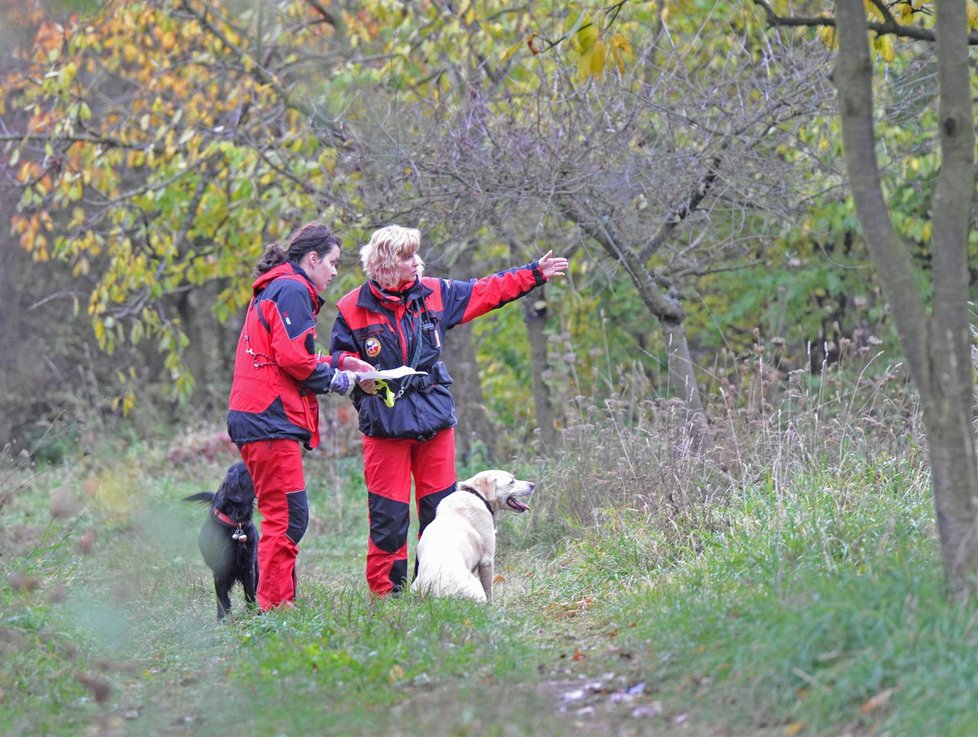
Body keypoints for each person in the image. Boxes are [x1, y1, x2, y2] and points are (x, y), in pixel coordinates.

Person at [329, 224, 569, 597]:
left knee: (441, 515)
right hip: (384, 424)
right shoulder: (350, 308)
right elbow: (338, 356)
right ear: (385, 264)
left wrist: (533, 273)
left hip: (434, 420)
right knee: (388, 519)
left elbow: (485, 291)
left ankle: (437, 589)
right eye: (407, 257)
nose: (416, 263)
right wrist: (354, 368)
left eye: (415, 255)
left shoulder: (435, 293)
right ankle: (387, 597)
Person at [227, 221, 374, 612]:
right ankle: (275, 608)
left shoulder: (282, 288)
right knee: (287, 516)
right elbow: (295, 360)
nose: (335, 271)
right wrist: (344, 381)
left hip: (259, 416)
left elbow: (290, 355)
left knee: (286, 514)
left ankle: (276, 601)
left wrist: (342, 362)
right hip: (267, 418)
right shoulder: (292, 289)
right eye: (332, 261)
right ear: (312, 258)